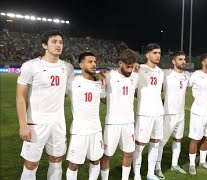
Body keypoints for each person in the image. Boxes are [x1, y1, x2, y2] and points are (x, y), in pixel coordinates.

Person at [17, 30, 74, 180]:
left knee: (56, 160)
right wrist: (23, 125)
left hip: (58, 122)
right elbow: (20, 97)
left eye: (60, 42)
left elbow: (68, 91)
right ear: (44, 45)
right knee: (31, 163)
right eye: (54, 42)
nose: (58, 45)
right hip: (36, 123)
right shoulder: (30, 66)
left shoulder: (68, 68)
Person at [100, 49, 139, 180]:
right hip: (112, 123)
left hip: (129, 122)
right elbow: (103, 99)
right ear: (120, 63)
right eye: (127, 66)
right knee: (107, 155)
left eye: (132, 67)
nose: (130, 70)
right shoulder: (109, 77)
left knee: (128, 153)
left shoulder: (135, 75)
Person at [66, 52, 105, 180]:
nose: (93, 64)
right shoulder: (72, 82)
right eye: (90, 62)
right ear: (81, 64)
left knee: (96, 161)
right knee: (74, 164)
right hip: (79, 131)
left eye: (95, 61)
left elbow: (105, 99)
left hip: (96, 129)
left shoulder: (99, 83)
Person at [154, 51, 190, 179]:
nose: (183, 62)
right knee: (161, 142)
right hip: (168, 114)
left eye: (184, 59)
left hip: (181, 114)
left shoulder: (186, 76)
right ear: (173, 61)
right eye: (180, 59)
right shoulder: (166, 74)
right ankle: (157, 168)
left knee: (178, 140)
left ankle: (174, 164)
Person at [133, 43, 164, 180]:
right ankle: (137, 175)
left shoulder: (161, 72)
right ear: (147, 54)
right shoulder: (139, 69)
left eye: (159, 53)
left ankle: (150, 173)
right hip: (144, 113)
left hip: (158, 113)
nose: (158, 55)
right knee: (140, 146)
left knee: (155, 143)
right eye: (155, 53)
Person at [188, 53, 207, 175]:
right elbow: (187, 87)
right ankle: (192, 164)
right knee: (195, 139)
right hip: (198, 113)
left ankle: (203, 161)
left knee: (206, 137)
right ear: (203, 62)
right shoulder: (195, 75)